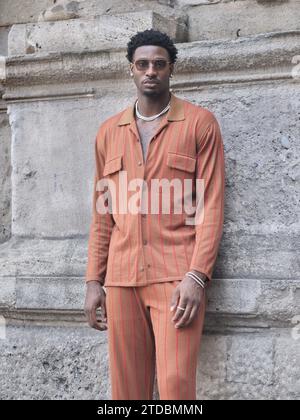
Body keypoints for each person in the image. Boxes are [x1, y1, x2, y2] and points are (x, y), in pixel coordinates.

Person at [84, 29, 225, 400]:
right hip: (121, 278)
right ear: (131, 70)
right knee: (127, 392)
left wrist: (197, 276)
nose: (151, 71)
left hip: (176, 278)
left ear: (171, 69)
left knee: (177, 386)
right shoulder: (107, 133)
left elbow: (211, 205)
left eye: (159, 65)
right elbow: (103, 215)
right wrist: (92, 282)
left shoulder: (199, 124)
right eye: (142, 64)